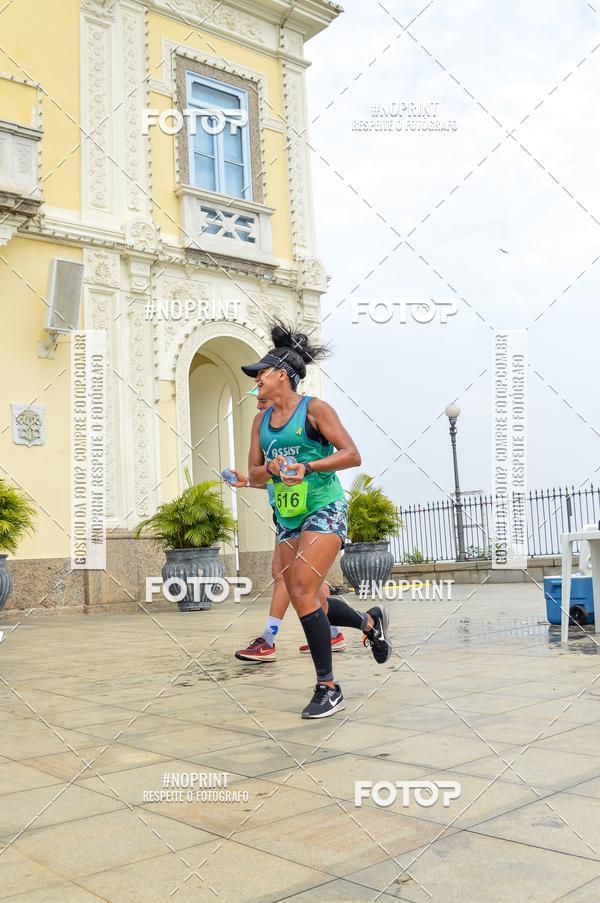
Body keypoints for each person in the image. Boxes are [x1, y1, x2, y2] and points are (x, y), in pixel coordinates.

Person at [241, 320, 392, 719]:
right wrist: (272, 470)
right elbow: (253, 474)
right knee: (314, 598)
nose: (256, 379)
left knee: (303, 589)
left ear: (282, 375)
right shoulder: (260, 422)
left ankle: (328, 686)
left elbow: (351, 454)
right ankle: (369, 623)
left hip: (324, 507)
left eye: (261, 372)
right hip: (288, 517)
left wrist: (308, 466)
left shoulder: (316, 410)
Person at [222, 399, 346, 661]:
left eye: (262, 399)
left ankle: (268, 639)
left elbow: (342, 456)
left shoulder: (306, 417)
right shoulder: (265, 430)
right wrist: (247, 481)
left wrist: (307, 468)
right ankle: (341, 630)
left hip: (312, 510)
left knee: (285, 575)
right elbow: (272, 479)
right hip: (286, 514)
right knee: (307, 582)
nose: (258, 405)